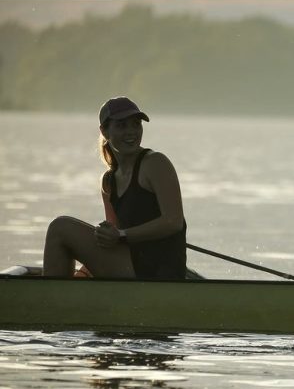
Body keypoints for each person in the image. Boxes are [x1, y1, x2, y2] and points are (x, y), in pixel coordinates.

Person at [42, 96, 187, 279]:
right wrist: (87, 270)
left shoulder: (156, 163)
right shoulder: (108, 182)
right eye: (121, 125)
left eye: (135, 124)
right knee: (61, 232)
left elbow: (173, 222)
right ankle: (61, 296)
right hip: (131, 264)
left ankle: (51, 301)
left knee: (60, 228)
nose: (131, 132)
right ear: (104, 131)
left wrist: (122, 235)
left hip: (160, 270)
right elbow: (111, 241)